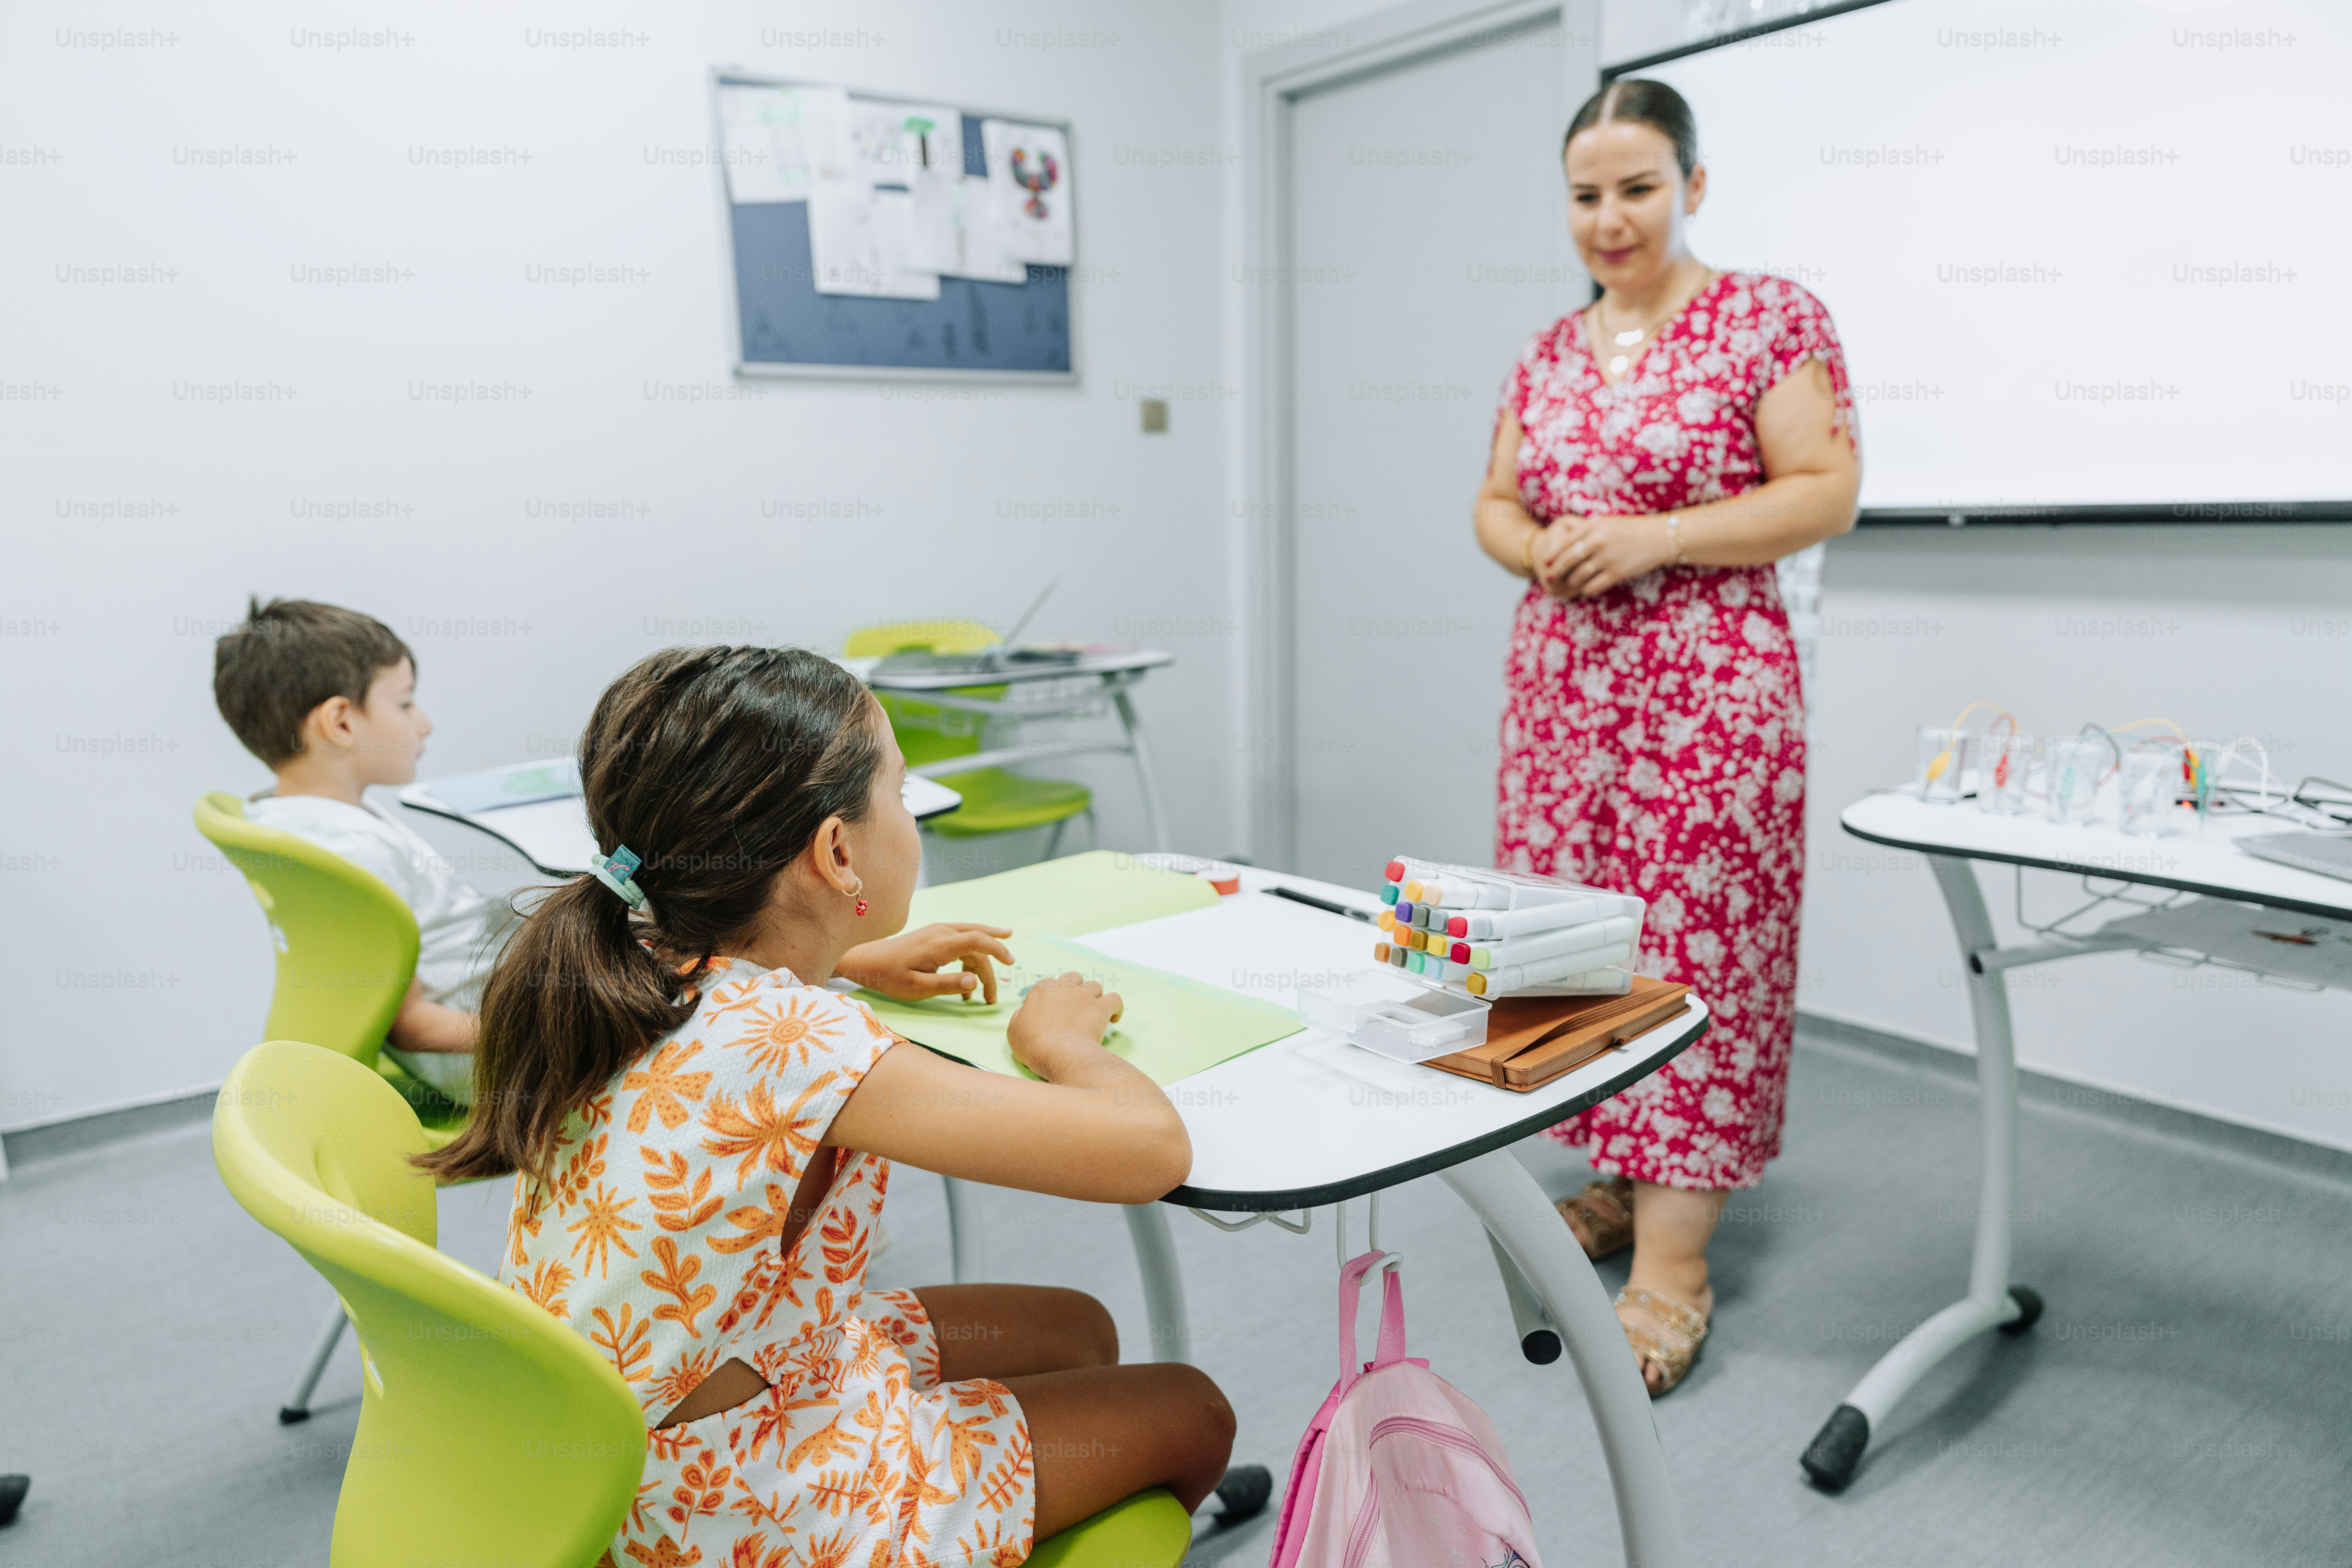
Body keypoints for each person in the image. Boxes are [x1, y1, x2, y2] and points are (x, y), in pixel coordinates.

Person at [417, 645, 1234, 1567]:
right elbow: (1147, 1150)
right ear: (838, 853)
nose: (912, 814)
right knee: (1193, 1410)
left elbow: (738, 1026)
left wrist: (836, 960)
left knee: (1079, 1328)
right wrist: (1060, 1041)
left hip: (635, 1440)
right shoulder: (806, 1049)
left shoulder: (618, 958)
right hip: (735, 1505)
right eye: (902, 789)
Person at [1471, 80, 1861, 1395]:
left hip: (1711, 699)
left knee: (1704, 952)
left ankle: (1676, 1260)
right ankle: (1624, 1178)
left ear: (1693, 186)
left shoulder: (1768, 318)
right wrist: (1539, 545)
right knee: (1575, 951)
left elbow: (1828, 488)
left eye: (1638, 187)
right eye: (1587, 195)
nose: (1611, 217)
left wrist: (1658, 536)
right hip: (1567, 700)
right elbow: (1494, 503)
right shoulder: (1548, 350)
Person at [212, 598, 502, 1105]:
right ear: (341, 724)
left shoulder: (282, 816)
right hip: (485, 1057)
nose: (424, 724)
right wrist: (554, 1032)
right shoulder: (353, 850)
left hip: (482, 1001)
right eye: (406, 703)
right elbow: (412, 1026)